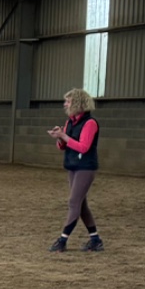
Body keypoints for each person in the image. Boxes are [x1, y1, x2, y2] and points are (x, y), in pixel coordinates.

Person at [47, 88, 104, 252]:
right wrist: (60, 137)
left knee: (73, 202)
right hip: (73, 166)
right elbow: (63, 146)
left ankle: (62, 240)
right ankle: (95, 240)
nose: (65, 104)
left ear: (78, 103)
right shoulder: (70, 122)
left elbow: (84, 147)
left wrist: (64, 136)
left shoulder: (90, 123)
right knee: (81, 204)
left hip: (85, 167)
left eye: (68, 101)